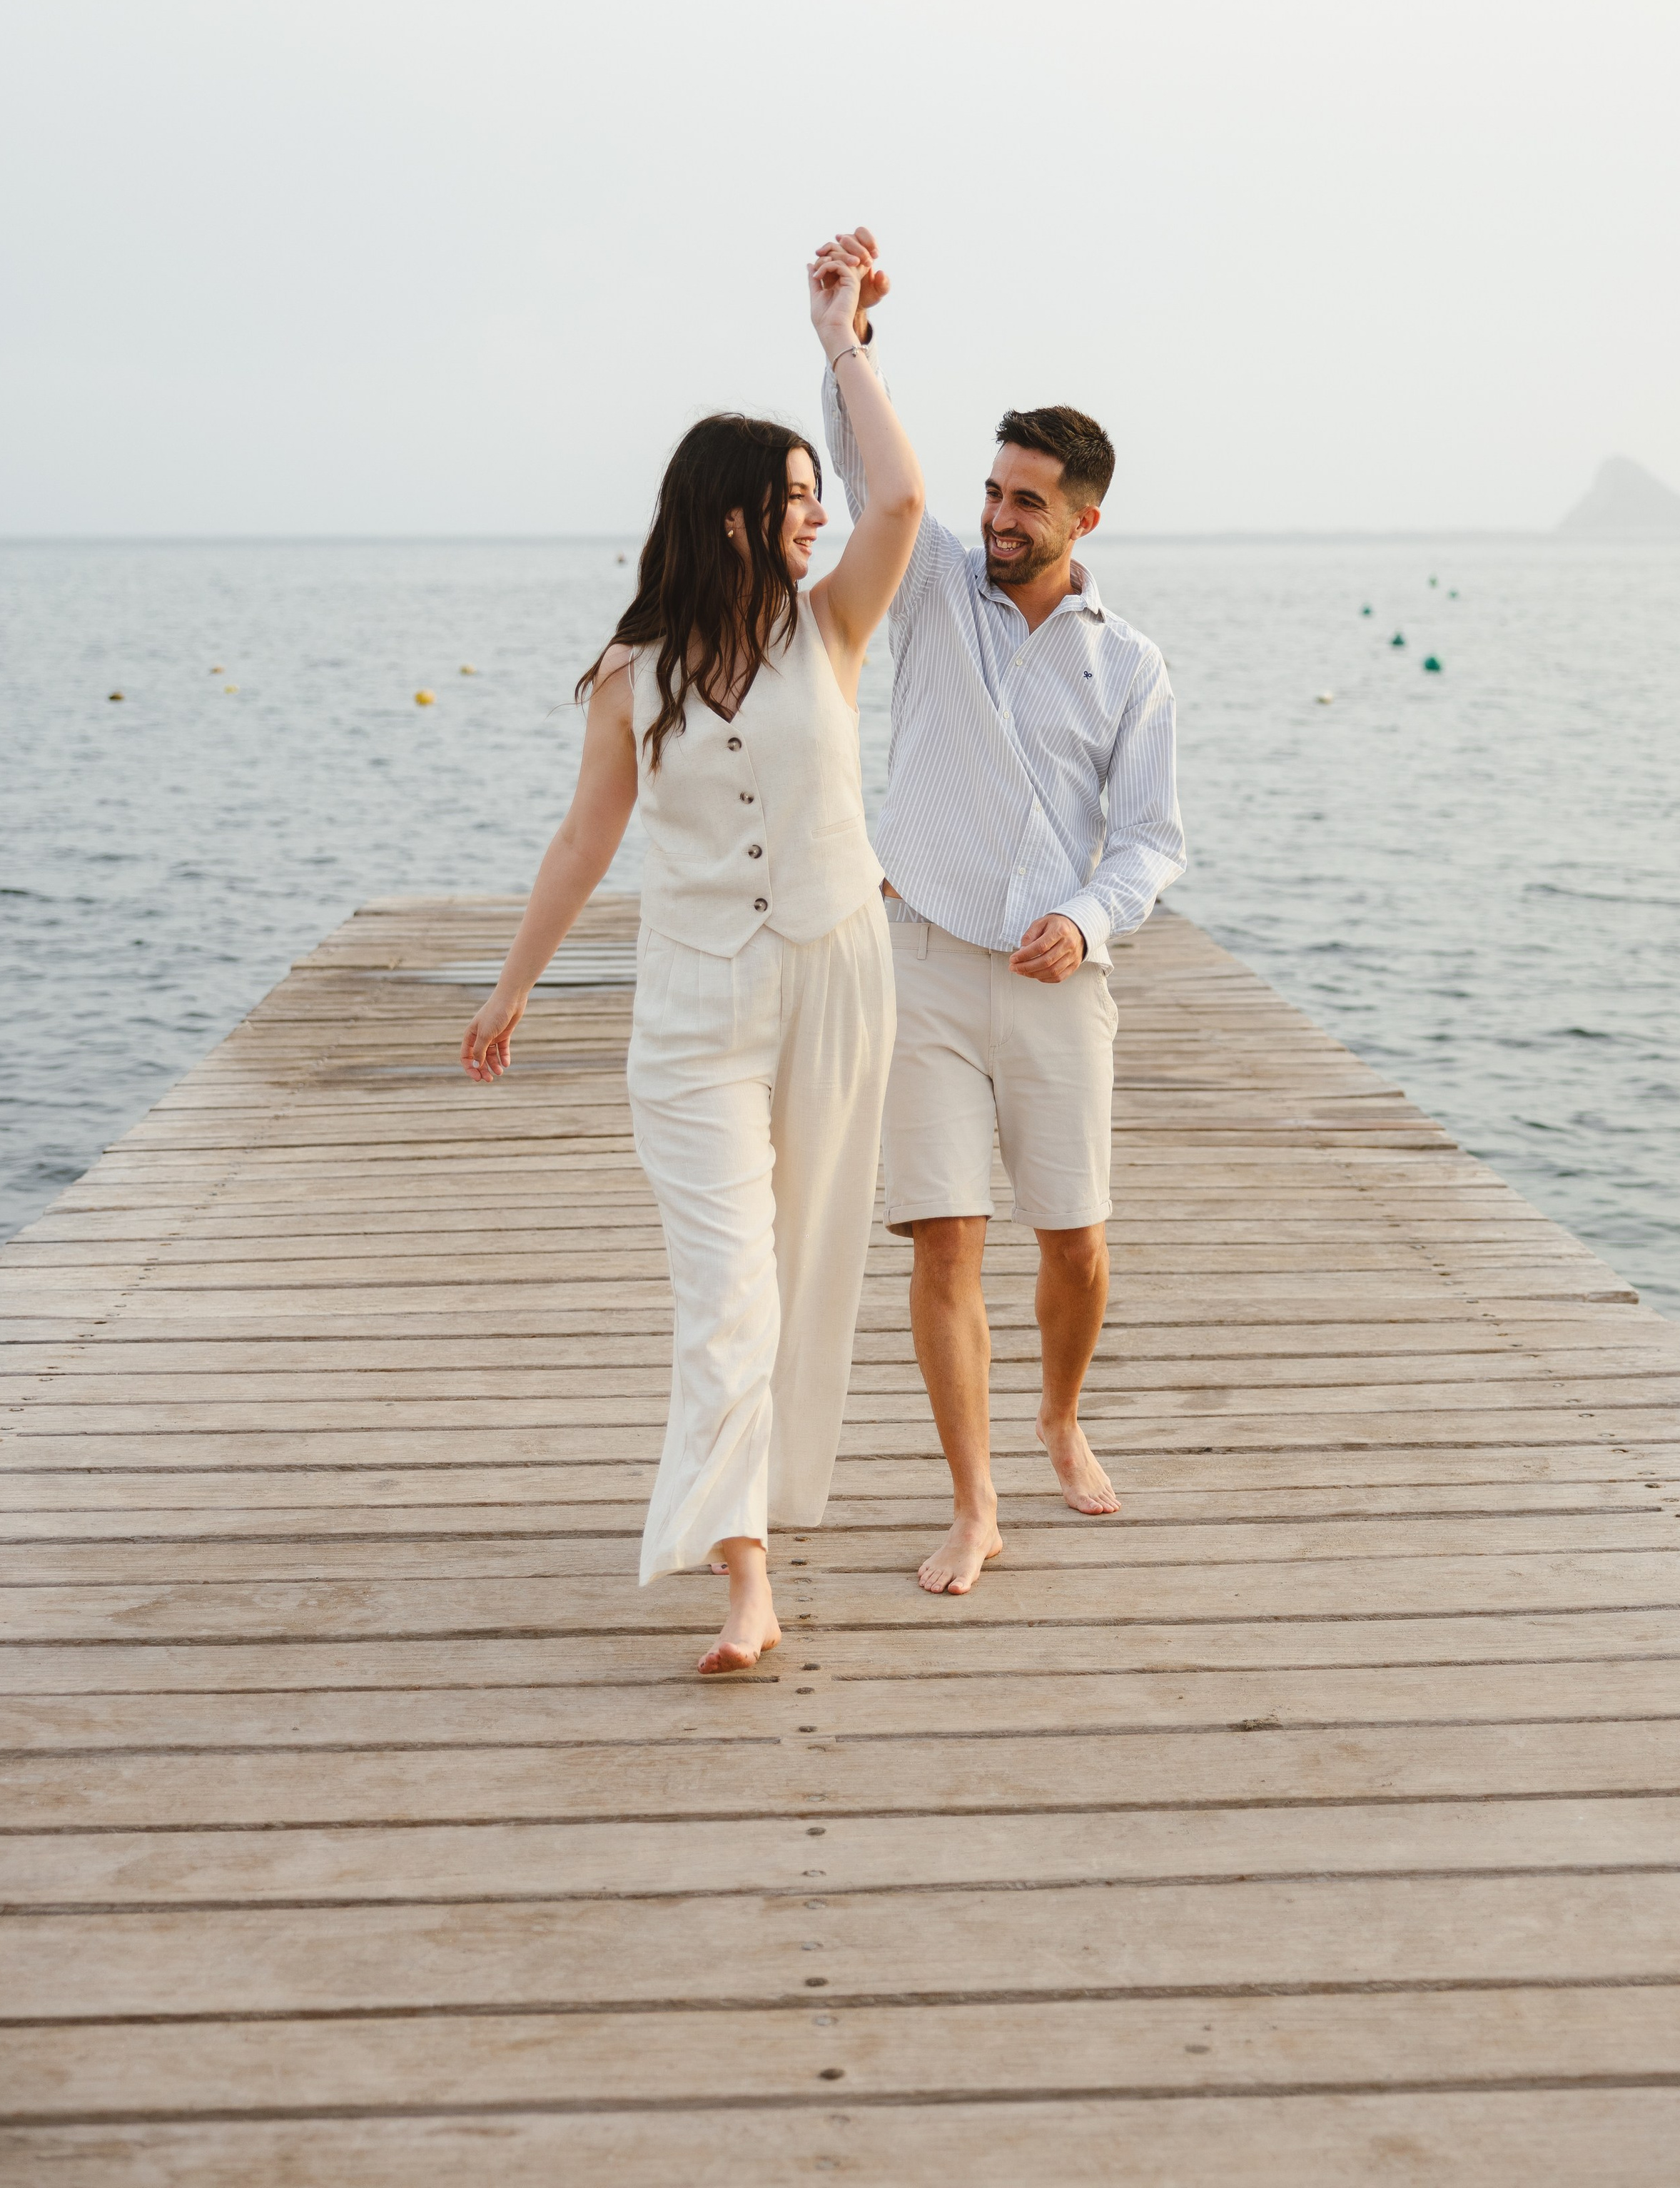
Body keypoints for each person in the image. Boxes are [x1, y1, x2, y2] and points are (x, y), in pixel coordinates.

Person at [461, 236, 923, 1673]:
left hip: (838, 973)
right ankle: (743, 1577)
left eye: (813, 495)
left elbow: (899, 495)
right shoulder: (626, 676)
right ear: (728, 519)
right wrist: (514, 983)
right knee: (730, 1285)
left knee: (813, 1262)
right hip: (691, 1011)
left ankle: (764, 1505)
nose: (816, 515)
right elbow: (580, 847)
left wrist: (839, 339)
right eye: (792, 498)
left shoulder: (830, 625)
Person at [817, 228, 1185, 1594]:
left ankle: (1059, 1416)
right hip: (918, 958)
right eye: (993, 491)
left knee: (1075, 1244)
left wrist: (1088, 922)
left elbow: (1150, 842)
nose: (998, 517)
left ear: (1084, 517)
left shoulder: (1131, 665)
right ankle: (974, 1502)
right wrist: (849, 340)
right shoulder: (929, 595)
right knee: (943, 1236)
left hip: (1055, 985)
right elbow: (876, 478)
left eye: (1027, 501)